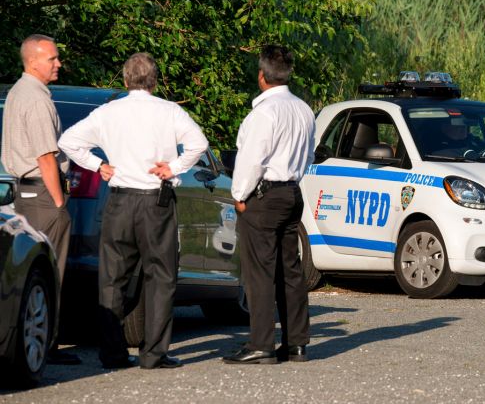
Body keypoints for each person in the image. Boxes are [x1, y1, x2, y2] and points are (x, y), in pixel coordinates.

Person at [58, 52, 208, 369]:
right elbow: (199, 143)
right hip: (156, 201)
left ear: (126, 80)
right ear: (154, 81)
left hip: (120, 200)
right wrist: (175, 166)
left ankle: (112, 353)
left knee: (112, 278)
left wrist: (98, 165)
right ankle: (154, 353)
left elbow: (69, 141)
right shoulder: (170, 111)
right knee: (161, 276)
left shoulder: (109, 112)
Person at [223, 45, 315, 365]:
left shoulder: (263, 113)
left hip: (264, 195)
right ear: (286, 73)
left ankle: (260, 344)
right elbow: (308, 155)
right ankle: (296, 343)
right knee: (290, 271)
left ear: (262, 76)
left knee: (260, 272)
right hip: (292, 191)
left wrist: (239, 195)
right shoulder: (304, 110)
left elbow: (252, 160)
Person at [1, 34, 81, 365]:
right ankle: (46, 344)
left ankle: (37, 340)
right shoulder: (35, 98)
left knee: (32, 270)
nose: (58, 63)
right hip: (42, 193)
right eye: (52, 58)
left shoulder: (19, 92)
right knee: (50, 270)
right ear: (33, 61)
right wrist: (60, 202)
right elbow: (46, 156)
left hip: (27, 191)